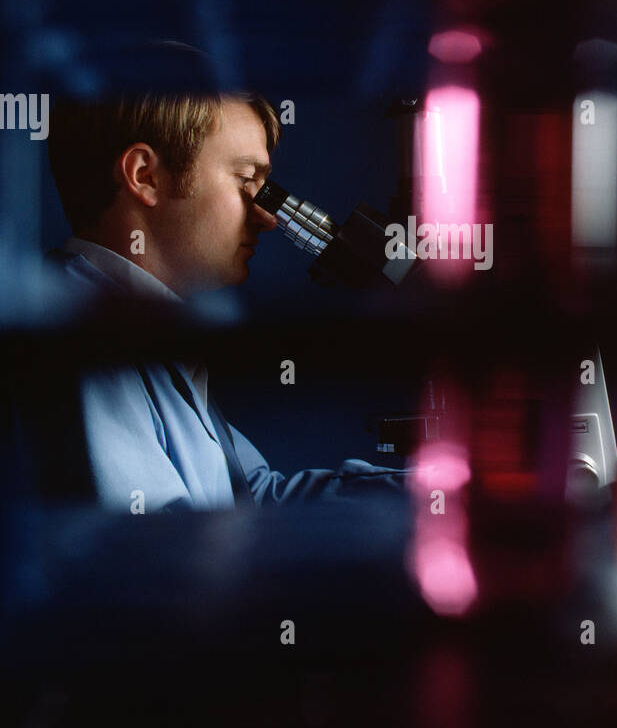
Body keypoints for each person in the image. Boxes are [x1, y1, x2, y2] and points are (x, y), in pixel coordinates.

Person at [42, 85, 407, 514]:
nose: (268, 217)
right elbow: (156, 552)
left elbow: (250, 496)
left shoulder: (149, 329)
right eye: (245, 180)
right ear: (145, 176)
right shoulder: (82, 339)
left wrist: (433, 489)